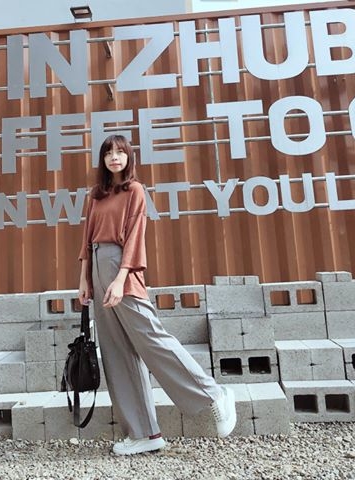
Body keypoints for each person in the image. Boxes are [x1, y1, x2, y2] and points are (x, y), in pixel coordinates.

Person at [77, 134, 236, 456]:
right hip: (97, 266)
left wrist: (121, 278)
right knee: (116, 353)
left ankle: (213, 394)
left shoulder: (134, 190)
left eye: (120, 152)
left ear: (129, 157)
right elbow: (86, 238)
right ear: (102, 159)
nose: (114, 157)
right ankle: (144, 433)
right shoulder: (96, 195)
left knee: (151, 337)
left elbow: (135, 236)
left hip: (121, 268)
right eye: (108, 153)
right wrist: (84, 278)